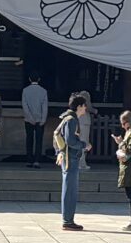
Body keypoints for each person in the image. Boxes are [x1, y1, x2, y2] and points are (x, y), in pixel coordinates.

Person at [53, 91, 92, 232]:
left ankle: (68, 219)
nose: (85, 109)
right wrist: (84, 145)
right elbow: (70, 140)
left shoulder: (67, 117)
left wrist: (59, 152)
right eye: (84, 106)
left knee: (69, 188)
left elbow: (57, 134)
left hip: (68, 156)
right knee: (70, 190)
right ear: (79, 106)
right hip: (71, 157)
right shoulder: (72, 120)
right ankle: (68, 220)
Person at [21, 76, 49, 167]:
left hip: (28, 119)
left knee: (29, 139)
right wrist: (43, 119)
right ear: (39, 79)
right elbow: (45, 106)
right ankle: (37, 160)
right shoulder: (43, 91)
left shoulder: (25, 90)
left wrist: (30, 118)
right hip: (40, 119)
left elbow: (25, 106)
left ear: (29, 79)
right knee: (39, 140)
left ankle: (29, 159)